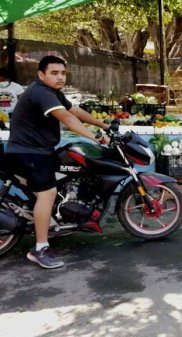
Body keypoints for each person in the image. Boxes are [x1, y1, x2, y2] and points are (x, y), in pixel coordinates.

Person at [6, 56, 110, 269]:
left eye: (63, 73)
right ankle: (40, 248)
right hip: (29, 153)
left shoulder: (53, 93)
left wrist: (104, 125)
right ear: (41, 75)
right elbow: (68, 119)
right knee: (47, 193)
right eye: (54, 73)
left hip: (39, 151)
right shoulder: (41, 93)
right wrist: (96, 137)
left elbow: (75, 110)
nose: (60, 77)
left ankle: (52, 222)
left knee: (63, 178)